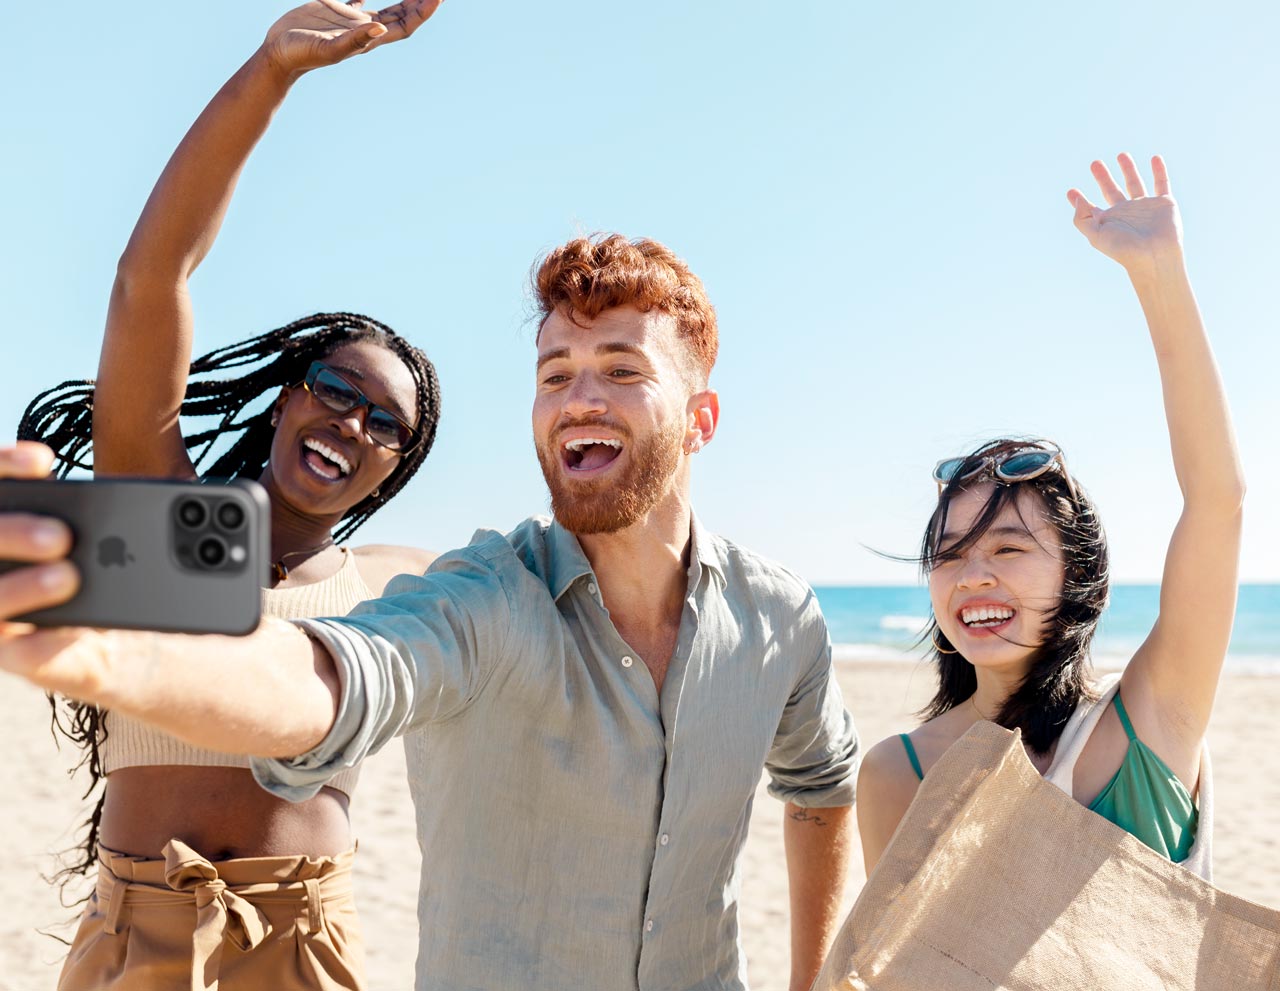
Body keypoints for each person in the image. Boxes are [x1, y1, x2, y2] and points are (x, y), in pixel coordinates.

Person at [0, 232, 860, 991]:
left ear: (701, 419)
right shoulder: (486, 596)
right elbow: (333, 675)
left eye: (623, 370)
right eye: (555, 373)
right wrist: (121, 655)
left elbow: (822, 788)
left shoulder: (780, 619)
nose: (579, 397)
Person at [16, 2, 444, 987]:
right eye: (338, 391)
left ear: (398, 466)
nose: (353, 426)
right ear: (290, 393)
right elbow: (149, 276)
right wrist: (269, 74)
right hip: (133, 927)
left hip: (299, 937)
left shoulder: (398, 579)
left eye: (389, 426)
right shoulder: (166, 519)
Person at [856, 154, 1241, 881]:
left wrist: (1159, 274)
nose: (972, 577)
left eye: (1007, 548)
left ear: (1078, 576)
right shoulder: (895, 774)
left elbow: (1217, 501)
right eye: (950, 553)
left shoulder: (1149, 721)